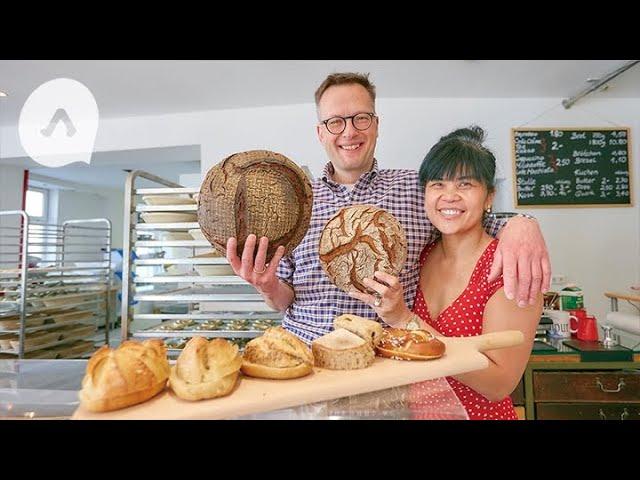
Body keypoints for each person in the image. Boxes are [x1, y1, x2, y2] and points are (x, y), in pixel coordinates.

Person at [226, 72, 550, 344]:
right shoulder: (296, 201)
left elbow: (472, 220)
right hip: (311, 365)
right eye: (335, 122)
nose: (349, 132)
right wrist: (267, 286)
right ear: (320, 132)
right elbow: (284, 300)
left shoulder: (416, 189)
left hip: (390, 366)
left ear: (376, 124)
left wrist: (523, 223)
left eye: (360, 118)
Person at [348, 125, 541, 419]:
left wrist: (404, 319)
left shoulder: (509, 266)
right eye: (438, 184)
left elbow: (499, 384)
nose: (449, 196)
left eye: (465, 185)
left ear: (489, 196)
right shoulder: (422, 256)